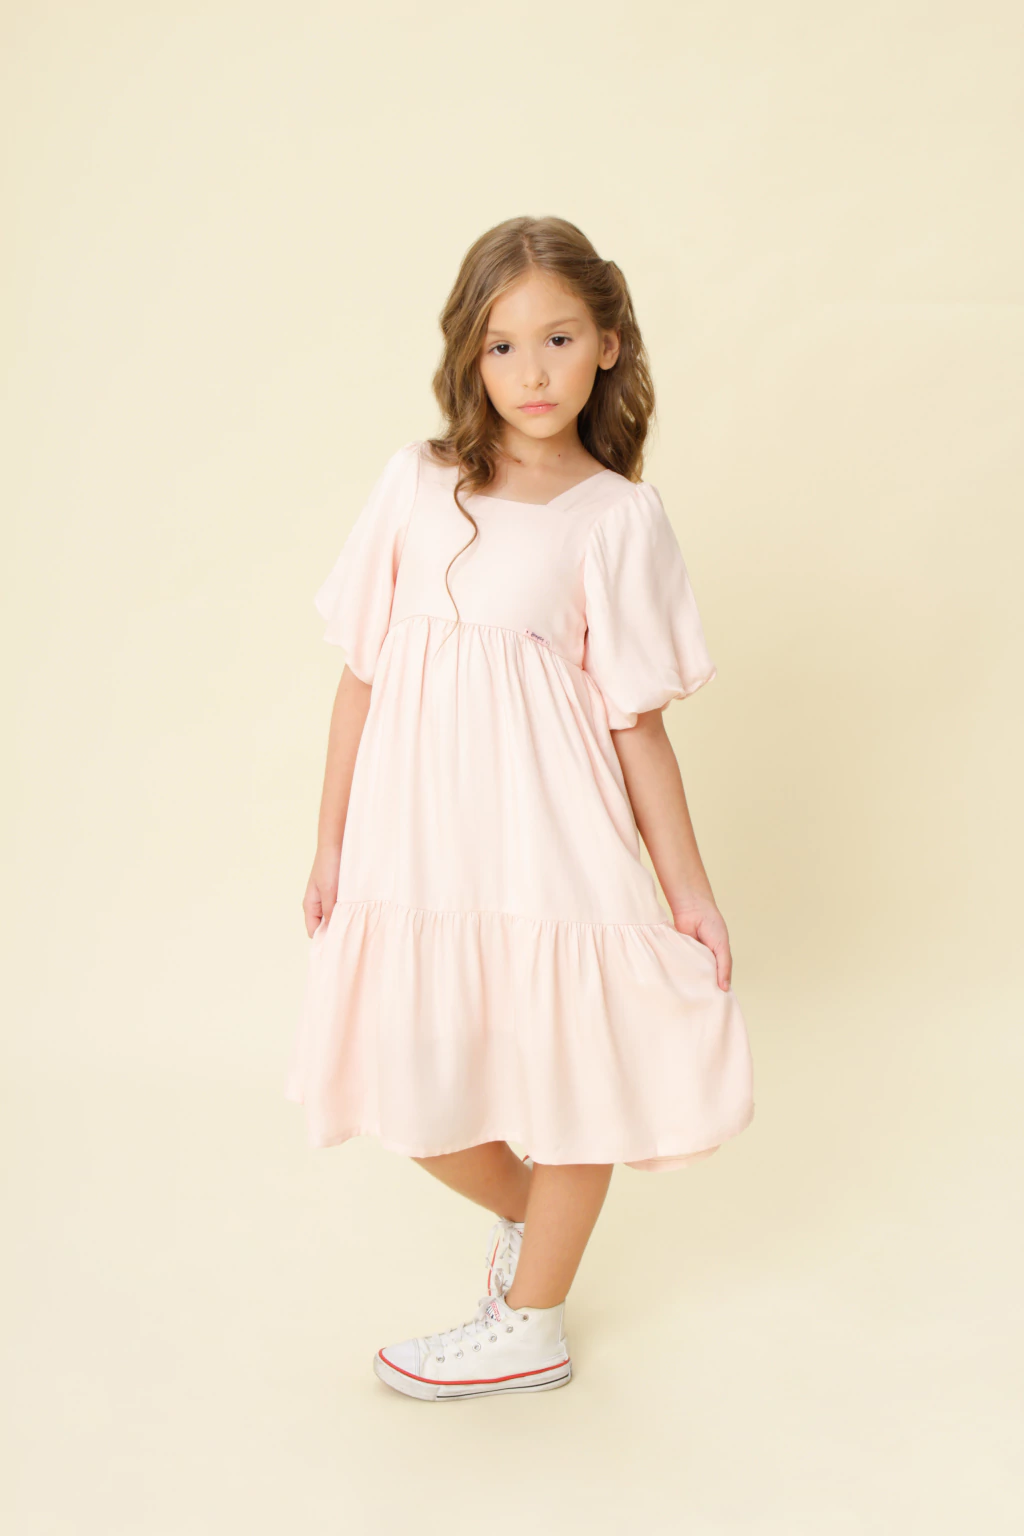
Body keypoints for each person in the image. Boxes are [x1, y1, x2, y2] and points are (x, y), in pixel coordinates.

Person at [285, 215, 754, 1402]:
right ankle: (538, 1231)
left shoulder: (616, 517)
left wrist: (689, 893)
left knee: (578, 1073)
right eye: (501, 346)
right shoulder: (415, 482)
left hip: (554, 842)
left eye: (558, 338)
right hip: (416, 845)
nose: (531, 372)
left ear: (607, 343)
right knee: (406, 1078)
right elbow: (360, 675)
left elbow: (635, 723)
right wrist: (330, 843)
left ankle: (530, 1324)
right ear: (469, 354)